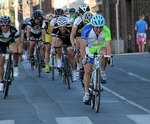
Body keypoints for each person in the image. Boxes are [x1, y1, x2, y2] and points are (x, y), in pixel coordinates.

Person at [80, 14, 113, 104]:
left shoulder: (106, 30)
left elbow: (108, 46)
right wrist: (84, 58)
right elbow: (82, 47)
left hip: (100, 47)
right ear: (92, 25)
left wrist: (110, 59)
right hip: (89, 48)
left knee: (105, 53)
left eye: (100, 27)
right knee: (88, 70)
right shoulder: (86, 29)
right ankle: (86, 93)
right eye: (96, 28)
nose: (98, 30)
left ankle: (102, 72)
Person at [0, 15, 23, 91]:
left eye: (7, 25)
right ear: (0, 24)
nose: (5, 27)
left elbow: (19, 44)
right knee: (1, 62)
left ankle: (15, 66)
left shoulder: (13, 30)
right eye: (3, 25)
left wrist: (20, 55)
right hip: (1, 44)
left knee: (15, 51)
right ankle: (1, 82)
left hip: (10, 42)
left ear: (9, 25)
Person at [51, 16, 77, 81]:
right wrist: (54, 49)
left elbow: (74, 38)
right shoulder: (55, 28)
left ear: (66, 25)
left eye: (64, 27)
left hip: (69, 41)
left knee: (71, 54)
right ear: (58, 26)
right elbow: (53, 41)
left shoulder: (70, 28)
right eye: (61, 27)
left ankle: (73, 72)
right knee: (58, 44)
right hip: (61, 40)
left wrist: (74, 46)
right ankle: (59, 60)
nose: (62, 29)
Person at [70, 4, 90, 79]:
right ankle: (80, 68)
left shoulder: (92, 18)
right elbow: (73, 34)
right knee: (79, 51)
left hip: (89, 37)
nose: (84, 15)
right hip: (79, 37)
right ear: (79, 13)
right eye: (82, 13)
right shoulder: (78, 20)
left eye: (86, 12)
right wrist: (73, 43)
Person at [75, 11, 93, 79]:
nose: (87, 25)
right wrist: (78, 50)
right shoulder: (80, 25)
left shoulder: (94, 26)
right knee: (81, 50)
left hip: (91, 41)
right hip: (81, 38)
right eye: (85, 23)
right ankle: (81, 68)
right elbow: (78, 39)